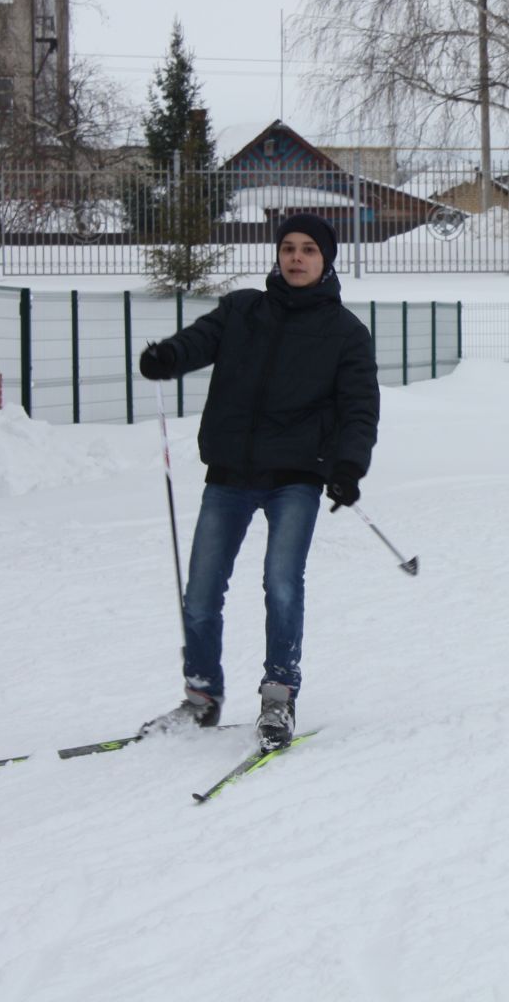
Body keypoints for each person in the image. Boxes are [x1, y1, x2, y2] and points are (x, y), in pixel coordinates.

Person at [136, 214, 380, 749]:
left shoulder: (345, 333)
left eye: (308, 250)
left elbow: (359, 408)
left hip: (296, 478)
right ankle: (200, 697)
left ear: (326, 260)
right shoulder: (242, 310)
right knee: (201, 591)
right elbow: (197, 342)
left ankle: (278, 696)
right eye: (288, 248)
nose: (296, 257)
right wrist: (167, 358)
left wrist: (347, 467)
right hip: (229, 474)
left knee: (281, 584)